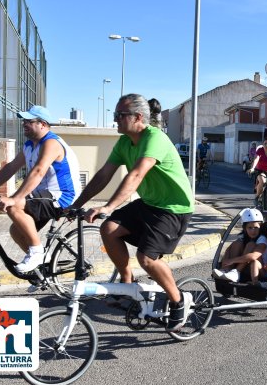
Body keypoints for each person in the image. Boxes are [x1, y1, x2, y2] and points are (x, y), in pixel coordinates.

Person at [70, 94, 195, 332]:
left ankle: (178, 301)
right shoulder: (125, 142)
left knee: (147, 258)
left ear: (138, 118)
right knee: (109, 229)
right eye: (115, 115)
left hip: (173, 209)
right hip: (150, 204)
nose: (115, 119)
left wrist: (108, 207)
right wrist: (77, 204)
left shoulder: (154, 138)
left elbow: (136, 175)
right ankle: (128, 284)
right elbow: (103, 175)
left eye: (120, 115)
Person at [0, 105, 82, 273]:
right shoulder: (29, 145)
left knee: (14, 206)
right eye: (24, 121)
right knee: (16, 231)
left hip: (63, 196)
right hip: (44, 195)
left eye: (29, 121)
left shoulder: (51, 142)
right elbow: (11, 168)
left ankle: (36, 252)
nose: (24, 124)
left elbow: (39, 171)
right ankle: (44, 268)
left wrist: (14, 198)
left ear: (42, 124)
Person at [212, 208, 267, 286]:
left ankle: (236, 272)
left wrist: (232, 260)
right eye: (250, 228)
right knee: (237, 243)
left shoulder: (262, 239)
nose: (253, 231)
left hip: (259, 271)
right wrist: (226, 263)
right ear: (245, 228)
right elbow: (229, 249)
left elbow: (253, 256)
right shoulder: (243, 236)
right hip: (246, 267)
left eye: (256, 228)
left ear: (261, 227)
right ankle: (226, 270)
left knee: (251, 244)